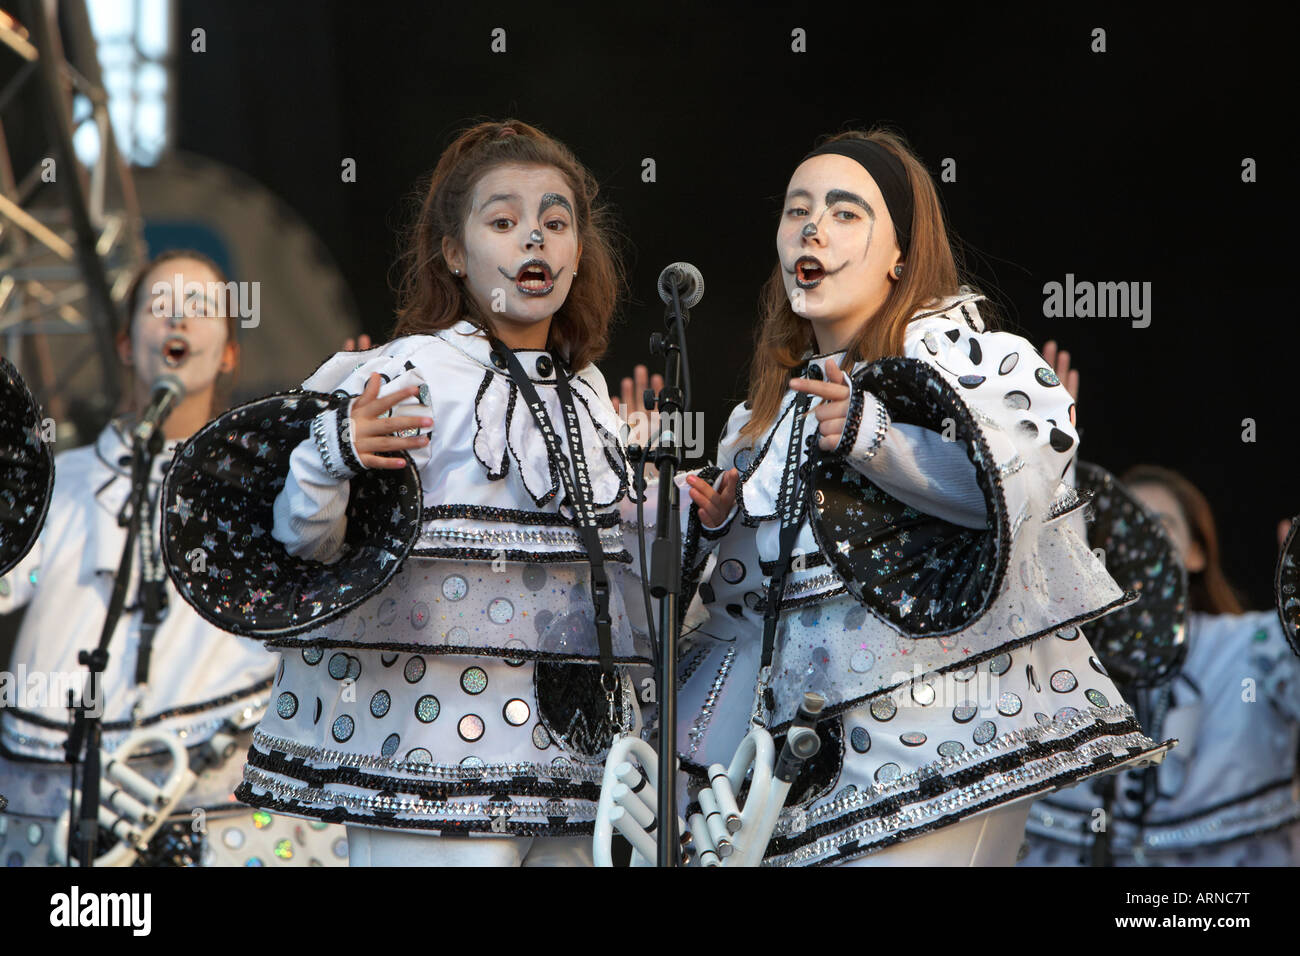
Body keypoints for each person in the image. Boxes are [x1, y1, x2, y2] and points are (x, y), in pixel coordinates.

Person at [161, 119, 714, 867]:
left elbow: (638, 596)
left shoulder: (590, 402)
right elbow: (307, 550)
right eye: (503, 221)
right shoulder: (409, 373)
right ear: (454, 253)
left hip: (577, 779)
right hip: (426, 766)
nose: (534, 241)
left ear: (579, 253)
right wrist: (334, 455)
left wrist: (689, 518)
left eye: (556, 222)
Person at [674, 128, 1167, 867]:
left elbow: (1010, 495)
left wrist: (876, 437)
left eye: (846, 213)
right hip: (806, 782)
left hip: (948, 752)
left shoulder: (976, 360)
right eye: (796, 211)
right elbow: (739, 617)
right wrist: (705, 529)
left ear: (902, 251)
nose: (813, 228)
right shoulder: (759, 424)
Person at [0, 250, 347, 866]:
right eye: (158, 307)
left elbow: (328, 569)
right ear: (127, 345)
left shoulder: (272, 486)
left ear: (231, 352)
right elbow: (9, 582)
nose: (177, 321)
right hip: (67, 793)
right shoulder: (63, 482)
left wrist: (340, 449)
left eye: (201, 308)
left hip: (221, 793)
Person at [1021, 461, 1300, 866]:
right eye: (1122, 532)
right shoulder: (1046, 654)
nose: (1140, 547)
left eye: (1161, 526)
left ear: (1196, 553)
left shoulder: (1252, 644)